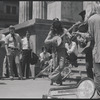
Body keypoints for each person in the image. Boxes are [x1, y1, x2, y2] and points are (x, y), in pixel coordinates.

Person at [44, 18, 71, 85]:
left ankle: (52, 77)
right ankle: (58, 81)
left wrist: (69, 35)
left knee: (61, 66)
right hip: (55, 50)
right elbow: (45, 41)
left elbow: (69, 34)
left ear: (59, 23)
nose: (57, 24)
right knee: (55, 66)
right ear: (53, 24)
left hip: (62, 49)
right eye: (55, 23)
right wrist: (52, 40)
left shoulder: (64, 30)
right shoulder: (51, 32)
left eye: (58, 23)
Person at [88, 4, 100, 94]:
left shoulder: (92, 19)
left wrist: (81, 35)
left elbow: (91, 36)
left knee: (97, 74)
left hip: (98, 51)